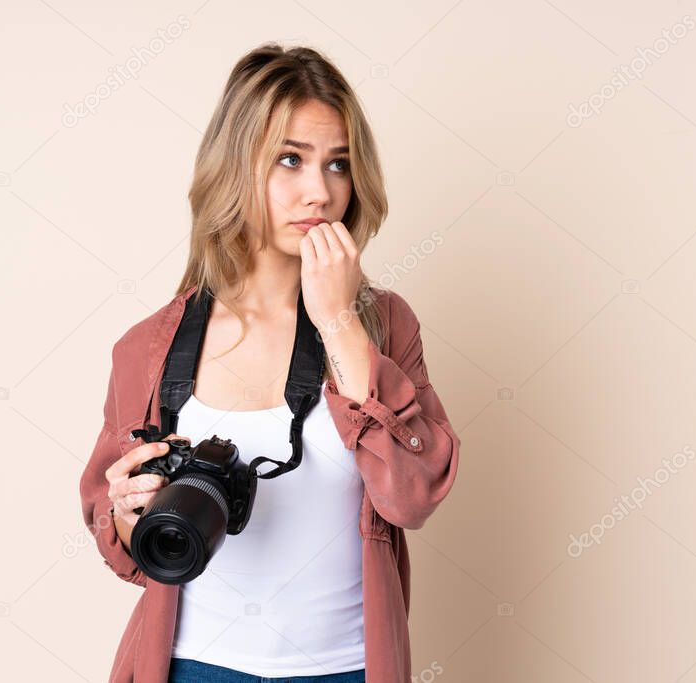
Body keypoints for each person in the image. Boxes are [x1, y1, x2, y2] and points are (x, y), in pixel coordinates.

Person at [80, 42, 461, 683]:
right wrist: (125, 509)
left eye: (338, 165)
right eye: (290, 160)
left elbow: (414, 495)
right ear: (236, 168)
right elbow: (121, 543)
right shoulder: (149, 348)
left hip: (346, 669)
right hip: (192, 667)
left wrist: (340, 321)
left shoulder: (386, 325)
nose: (320, 191)